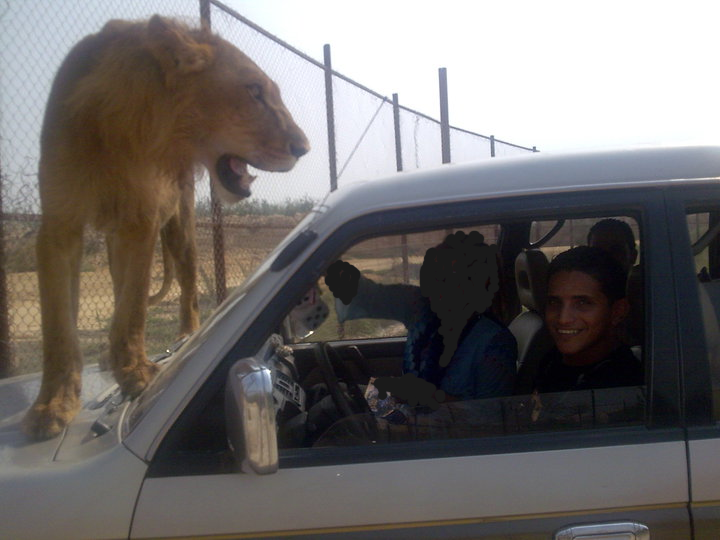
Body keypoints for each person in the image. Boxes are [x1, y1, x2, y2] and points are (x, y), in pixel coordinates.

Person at [326, 231, 518, 403]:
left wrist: (426, 396)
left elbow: (492, 418)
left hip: (438, 430)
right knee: (327, 396)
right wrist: (324, 260)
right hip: (403, 413)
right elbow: (367, 295)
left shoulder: (495, 342)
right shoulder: (421, 308)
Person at [534, 246, 643, 393]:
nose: (563, 319)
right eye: (555, 302)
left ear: (618, 311)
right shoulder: (552, 360)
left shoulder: (622, 386)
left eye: (582, 303)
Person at [587, 218, 643, 345]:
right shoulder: (577, 298)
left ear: (633, 256)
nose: (606, 258)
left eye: (616, 250)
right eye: (598, 252)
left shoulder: (647, 297)